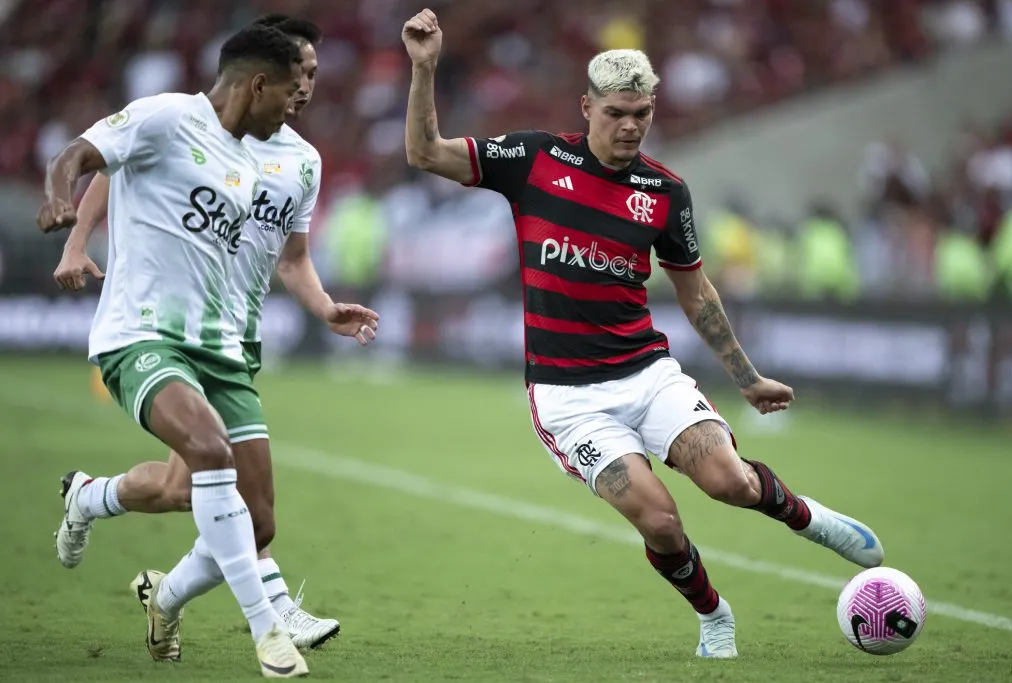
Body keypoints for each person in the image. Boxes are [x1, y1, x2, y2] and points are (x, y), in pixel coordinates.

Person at [401, 8, 884, 660]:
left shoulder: (664, 192)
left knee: (729, 482)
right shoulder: (534, 160)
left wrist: (747, 377)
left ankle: (810, 517)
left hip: (646, 373)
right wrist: (425, 67)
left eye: (642, 114)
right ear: (587, 107)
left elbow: (696, 292)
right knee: (660, 519)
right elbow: (424, 152)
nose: (630, 126)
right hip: (569, 398)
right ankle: (714, 614)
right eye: (616, 113)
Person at [39, 24, 373, 678]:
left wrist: (325, 306)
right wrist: (67, 210)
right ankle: (269, 628)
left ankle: (145, 571)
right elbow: (89, 155)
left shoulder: (271, 161)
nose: (303, 94)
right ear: (259, 82)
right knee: (209, 452)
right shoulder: (169, 117)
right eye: (295, 80)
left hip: (225, 344)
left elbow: (289, 258)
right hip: (143, 333)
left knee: (248, 516)